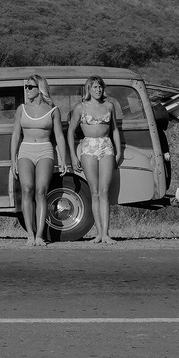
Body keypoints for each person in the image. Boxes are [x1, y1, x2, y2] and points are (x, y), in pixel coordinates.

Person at [10, 75, 69, 246]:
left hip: (45, 150)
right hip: (25, 150)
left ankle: (40, 235)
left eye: (30, 87)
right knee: (27, 189)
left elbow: (59, 135)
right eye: (26, 86)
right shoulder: (21, 109)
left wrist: (63, 158)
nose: (27, 90)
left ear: (40, 89)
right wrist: (13, 159)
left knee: (41, 191)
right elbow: (15, 135)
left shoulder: (53, 110)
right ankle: (30, 234)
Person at [67, 75, 122, 244]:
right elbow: (70, 131)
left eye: (100, 87)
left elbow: (114, 130)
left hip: (106, 146)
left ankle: (106, 233)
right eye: (94, 87)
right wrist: (73, 155)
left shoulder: (109, 106)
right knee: (94, 192)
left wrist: (119, 152)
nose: (98, 90)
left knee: (104, 191)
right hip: (88, 148)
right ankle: (98, 233)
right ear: (88, 89)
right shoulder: (80, 108)